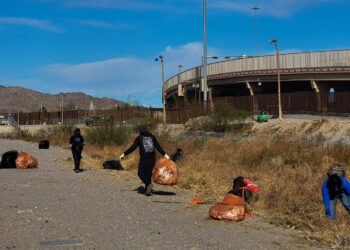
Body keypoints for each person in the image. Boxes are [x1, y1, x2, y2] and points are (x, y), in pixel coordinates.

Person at [120, 125, 170, 196]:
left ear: (140, 131)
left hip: (144, 159)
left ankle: (148, 184)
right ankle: (147, 190)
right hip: (152, 158)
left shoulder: (139, 138)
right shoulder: (152, 137)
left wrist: (124, 154)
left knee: (140, 173)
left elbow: (133, 148)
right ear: (146, 130)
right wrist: (165, 154)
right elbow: (158, 146)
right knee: (148, 174)